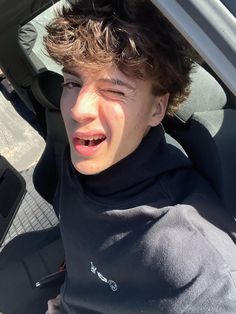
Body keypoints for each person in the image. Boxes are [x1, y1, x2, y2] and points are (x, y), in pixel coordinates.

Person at [0, 0, 236, 313]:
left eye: (114, 91)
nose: (77, 108)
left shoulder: (195, 264)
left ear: (157, 109)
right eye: (72, 82)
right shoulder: (78, 166)